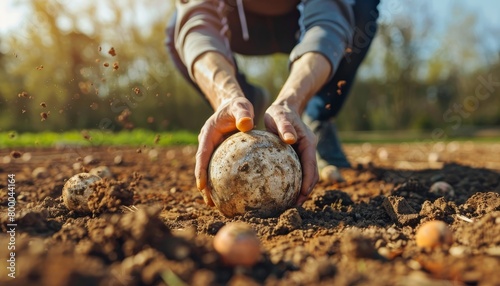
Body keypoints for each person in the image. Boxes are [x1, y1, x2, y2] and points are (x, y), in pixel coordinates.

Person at [166, 0, 380, 206]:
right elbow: (198, 24)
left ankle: (315, 116)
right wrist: (227, 98)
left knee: (361, 7)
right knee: (178, 28)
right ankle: (244, 107)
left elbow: (328, 25)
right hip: (238, 23)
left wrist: (291, 103)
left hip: (299, 18)